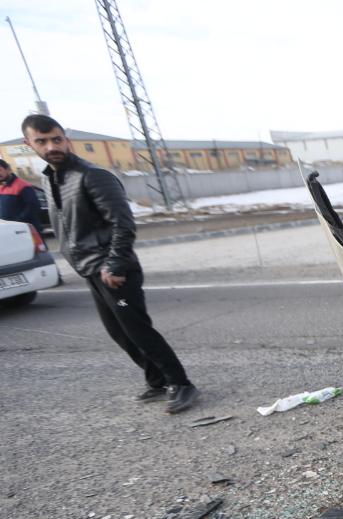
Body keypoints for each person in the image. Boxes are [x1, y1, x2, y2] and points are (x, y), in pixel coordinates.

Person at [22, 114, 199, 412]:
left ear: (67, 139)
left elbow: (123, 223)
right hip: (89, 267)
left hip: (113, 270)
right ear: (30, 144)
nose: (51, 146)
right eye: (42, 141)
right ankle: (156, 380)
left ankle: (181, 383)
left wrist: (114, 265)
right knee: (119, 332)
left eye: (56, 139)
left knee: (138, 329)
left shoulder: (92, 175)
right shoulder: (50, 177)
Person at [0, 158, 43, 233]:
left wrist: (17, 222)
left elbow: (33, 207)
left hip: (25, 231)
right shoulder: (3, 186)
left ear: (8, 169)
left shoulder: (23, 186)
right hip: (10, 230)